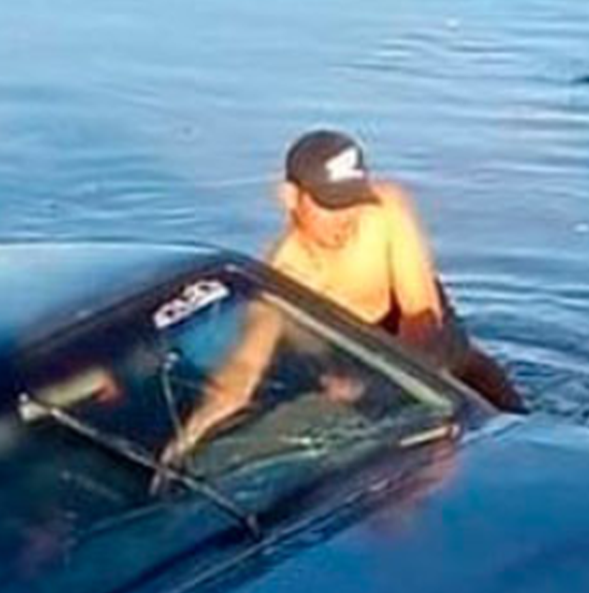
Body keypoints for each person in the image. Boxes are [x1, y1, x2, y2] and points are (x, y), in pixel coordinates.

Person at [165, 129, 524, 464]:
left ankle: (523, 423)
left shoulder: (386, 212)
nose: (345, 219)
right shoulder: (286, 274)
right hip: (351, 366)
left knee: (459, 356)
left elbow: (422, 314)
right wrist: (189, 438)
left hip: (418, 340)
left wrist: (413, 387)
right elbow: (243, 370)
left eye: (352, 203)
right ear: (290, 197)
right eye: (329, 206)